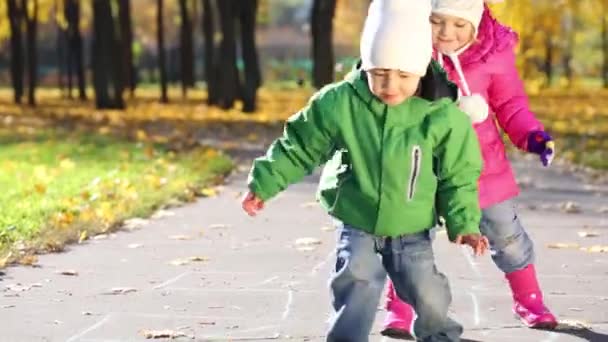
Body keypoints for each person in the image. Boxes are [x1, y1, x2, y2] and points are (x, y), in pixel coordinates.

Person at [242, 1, 490, 340]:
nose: (390, 85)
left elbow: (458, 175)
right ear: (366, 65)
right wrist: (264, 182)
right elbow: (300, 145)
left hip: (412, 227)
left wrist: (464, 223)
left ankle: (440, 335)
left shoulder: (441, 117)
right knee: (358, 281)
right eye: (379, 73)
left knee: (429, 294)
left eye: (403, 75)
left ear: (420, 68)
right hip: (357, 219)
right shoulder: (340, 102)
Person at [381, 0, 558, 338]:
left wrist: (532, 136)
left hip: (482, 169)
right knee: (406, 240)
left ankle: (530, 300)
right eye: (437, 22)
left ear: (476, 25)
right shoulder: (406, 49)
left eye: (459, 25)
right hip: (418, 168)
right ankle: (399, 308)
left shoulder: (493, 55)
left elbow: (510, 104)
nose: (447, 33)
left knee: (507, 237)